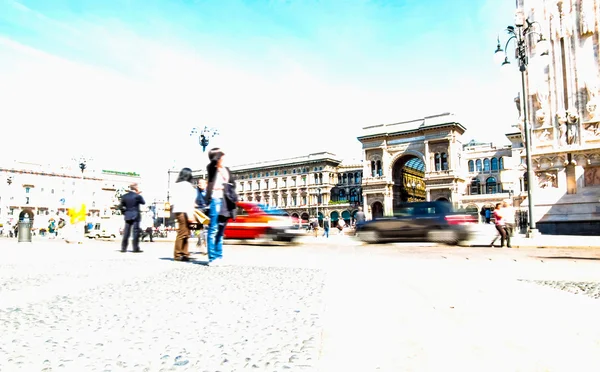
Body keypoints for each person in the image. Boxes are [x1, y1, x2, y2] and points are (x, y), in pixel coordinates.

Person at [205, 148, 238, 266]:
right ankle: (212, 258)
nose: (223, 156)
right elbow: (212, 164)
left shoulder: (227, 169)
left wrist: (227, 186)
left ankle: (219, 256)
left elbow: (233, 184)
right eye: (221, 155)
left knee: (221, 230)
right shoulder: (212, 169)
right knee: (213, 229)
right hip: (215, 200)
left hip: (226, 201)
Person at [170, 168, 197, 261]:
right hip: (185, 211)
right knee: (183, 233)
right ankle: (178, 254)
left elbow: (172, 201)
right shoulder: (188, 186)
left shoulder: (176, 185)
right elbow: (189, 202)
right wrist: (190, 215)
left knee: (185, 233)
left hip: (177, 211)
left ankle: (185, 253)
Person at [119, 183, 146, 253]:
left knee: (126, 232)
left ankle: (123, 248)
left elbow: (120, 206)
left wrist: (125, 212)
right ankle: (135, 248)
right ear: (136, 188)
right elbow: (143, 202)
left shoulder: (124, 196)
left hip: (127, 215)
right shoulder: (137, 196)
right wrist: (138, 194)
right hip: (136, 215)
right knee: (135, 232)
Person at [195, 178, 208, 253]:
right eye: (199, 183)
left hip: (207, 210)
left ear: (206, 184)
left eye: (201, 183)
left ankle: (204, 243)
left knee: (206, 228)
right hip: (199, 210)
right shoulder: (196, 191)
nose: (199, 184)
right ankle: (201, 240)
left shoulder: (208, 191)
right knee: (200, 228)